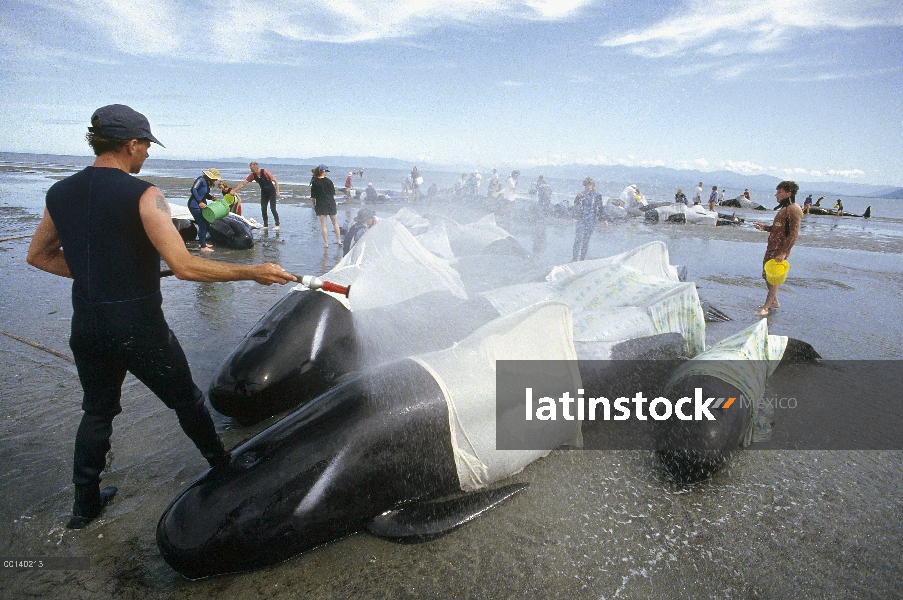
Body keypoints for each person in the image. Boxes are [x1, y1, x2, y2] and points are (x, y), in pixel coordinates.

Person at [25, 105, 296, 530]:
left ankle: (84, 507)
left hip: (87, 326)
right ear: (130, 144)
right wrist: (253, 271)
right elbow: (186, 266)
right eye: (147, 145)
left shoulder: (58, 193)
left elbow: (38, 255)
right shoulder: (145, 195)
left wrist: (103, 274)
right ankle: (223, 471)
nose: (148, 154)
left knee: (97, 412)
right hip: (138, 328)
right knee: (186, 400)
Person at [753, 181, 802, 317]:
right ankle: (774, 301)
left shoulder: (794, 209)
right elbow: (778, 229)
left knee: (773, 278)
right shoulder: (784, 208)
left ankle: (766, 307)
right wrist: (765, 227)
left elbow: (794, 233)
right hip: (772, 246)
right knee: (766, 274)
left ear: (788, 193)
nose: (776, 195)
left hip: (780, 248)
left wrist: (784, 252)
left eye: (780, 192)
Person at [232, 162, 280, 230]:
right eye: (250, 169)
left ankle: (277, 225)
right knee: (263, 208)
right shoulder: (253, 175)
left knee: (273, 208)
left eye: (252, 169)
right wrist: (234, 190)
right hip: (264, 192)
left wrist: (277, 192)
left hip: (271, 191)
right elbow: (243, 183)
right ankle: (265, 225)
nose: (251, 170)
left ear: (256, 167)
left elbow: (276, 181)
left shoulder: (265, 172)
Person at [572, 177, 606, 261]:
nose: (588, 187)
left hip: (592, 220)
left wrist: (604, 220)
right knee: (578, 238)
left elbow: (600, 208)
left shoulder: (597, 195)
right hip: (582, 219)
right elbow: (575, 203)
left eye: (589, 185)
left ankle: (582, 259)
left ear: (593, 185)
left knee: (586, 240)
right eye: (586, 185)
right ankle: (574, 258)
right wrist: (578, 197)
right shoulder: (582, 194)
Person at [187, 168, 220, 252]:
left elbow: (204, 193)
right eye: (215, 178)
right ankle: (203, 247)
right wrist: (199, 202)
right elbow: (193, 189)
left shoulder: (206, 182)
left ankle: (203, 242)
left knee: (206, 223)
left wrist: (211, 197)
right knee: (202, 224)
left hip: (201, 205)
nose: (216, 180)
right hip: (194, 205)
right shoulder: (201, 180)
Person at [309, 164, 342, 248]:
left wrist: (313, 205)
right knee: (335, 223)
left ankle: (326, 243)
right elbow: (333, 194)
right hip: (330, 202)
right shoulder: (329, 181)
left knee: (323, 225)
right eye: (326, 171)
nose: (326, 172)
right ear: (323, 171)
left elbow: (313, 197)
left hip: (320, 203)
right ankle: (339, 240)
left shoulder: (314, 182)